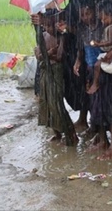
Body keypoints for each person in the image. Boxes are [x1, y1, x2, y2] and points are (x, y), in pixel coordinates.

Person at [35, 13, 78, 147]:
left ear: (56, 24)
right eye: (46, 25)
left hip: (57, 71)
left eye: (51, 25)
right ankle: (57, 133)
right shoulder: (42, 36)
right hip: (45, 72)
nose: (49, 28)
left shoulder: (62, 37)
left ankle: (70, 134)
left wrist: (47, 54)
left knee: (56, 102)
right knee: (46, 102)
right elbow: (38, 55)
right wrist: (48, 53)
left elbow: (59, 57)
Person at [71, 2, 103, 132]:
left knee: (102, 100)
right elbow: (81, 49)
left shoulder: (102, 27)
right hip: (90, 68)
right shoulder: (82, 29)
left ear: (95, 12)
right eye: (82, 15)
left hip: (103, 69)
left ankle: (101, 131)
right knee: (92, 99)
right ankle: (94, 127)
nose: (85, 17)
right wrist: (78, 61)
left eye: (87, 14)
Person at [86, 1, 112, 95]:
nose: (102, 22)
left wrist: (99, 44)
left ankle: (95, 83)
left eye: (104, 19)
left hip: (111, 49)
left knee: (97, 65)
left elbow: (110, 41)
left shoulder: (111, 28)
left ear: (110, 15)